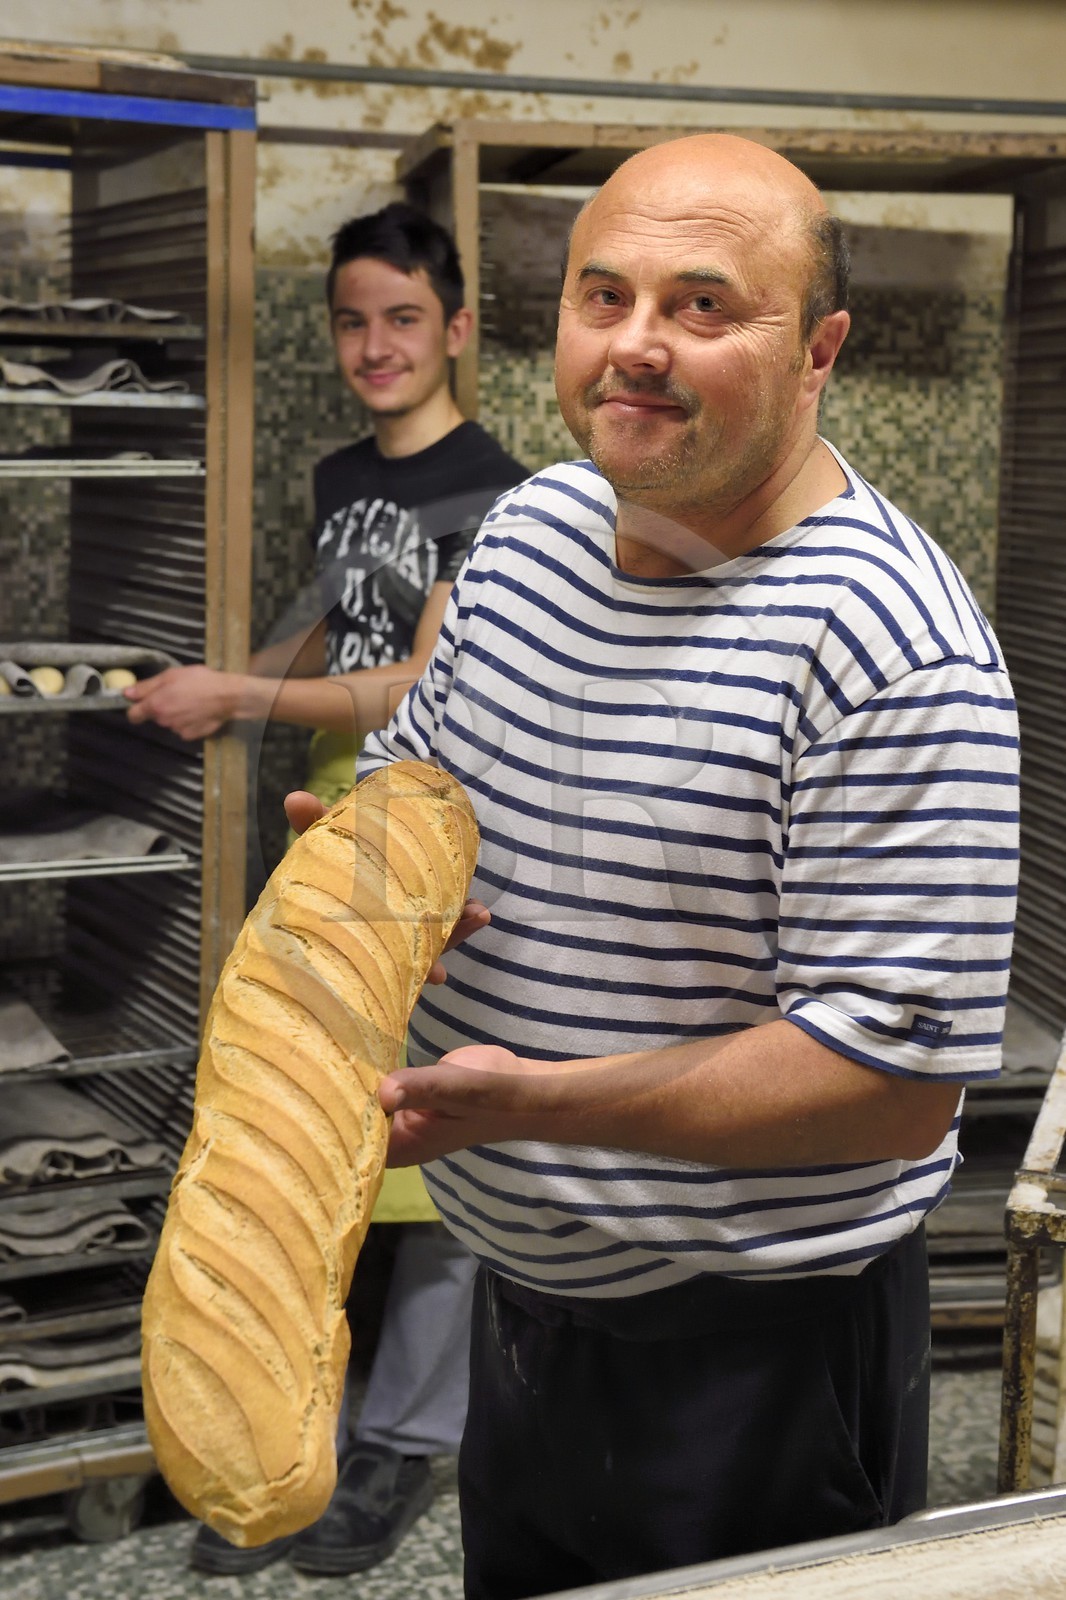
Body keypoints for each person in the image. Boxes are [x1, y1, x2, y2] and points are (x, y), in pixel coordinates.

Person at [289, 133, 1020, 1598]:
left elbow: (891, 1088)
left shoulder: (891, 646)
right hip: (526, 1314)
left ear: (818, 351)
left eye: (702, 306)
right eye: (602, 295)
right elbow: (418, 786)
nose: (634, 345)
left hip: (754, 1362)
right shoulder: (529, 534)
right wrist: (377, 885)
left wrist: (534, 1105)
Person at [126, 201, 528, 1577]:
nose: (375, 345)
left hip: (430, 814)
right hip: (331, 809)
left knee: (420, 1139)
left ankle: (402, 1448)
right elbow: (334, 633)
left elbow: (421, 677)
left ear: (456, 329)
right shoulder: (343, 474)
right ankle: (283, 1437)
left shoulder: (498, 492)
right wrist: (222, 684)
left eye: (402, 319)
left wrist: (233, 696)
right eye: (352, 321)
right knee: (302, 1135)